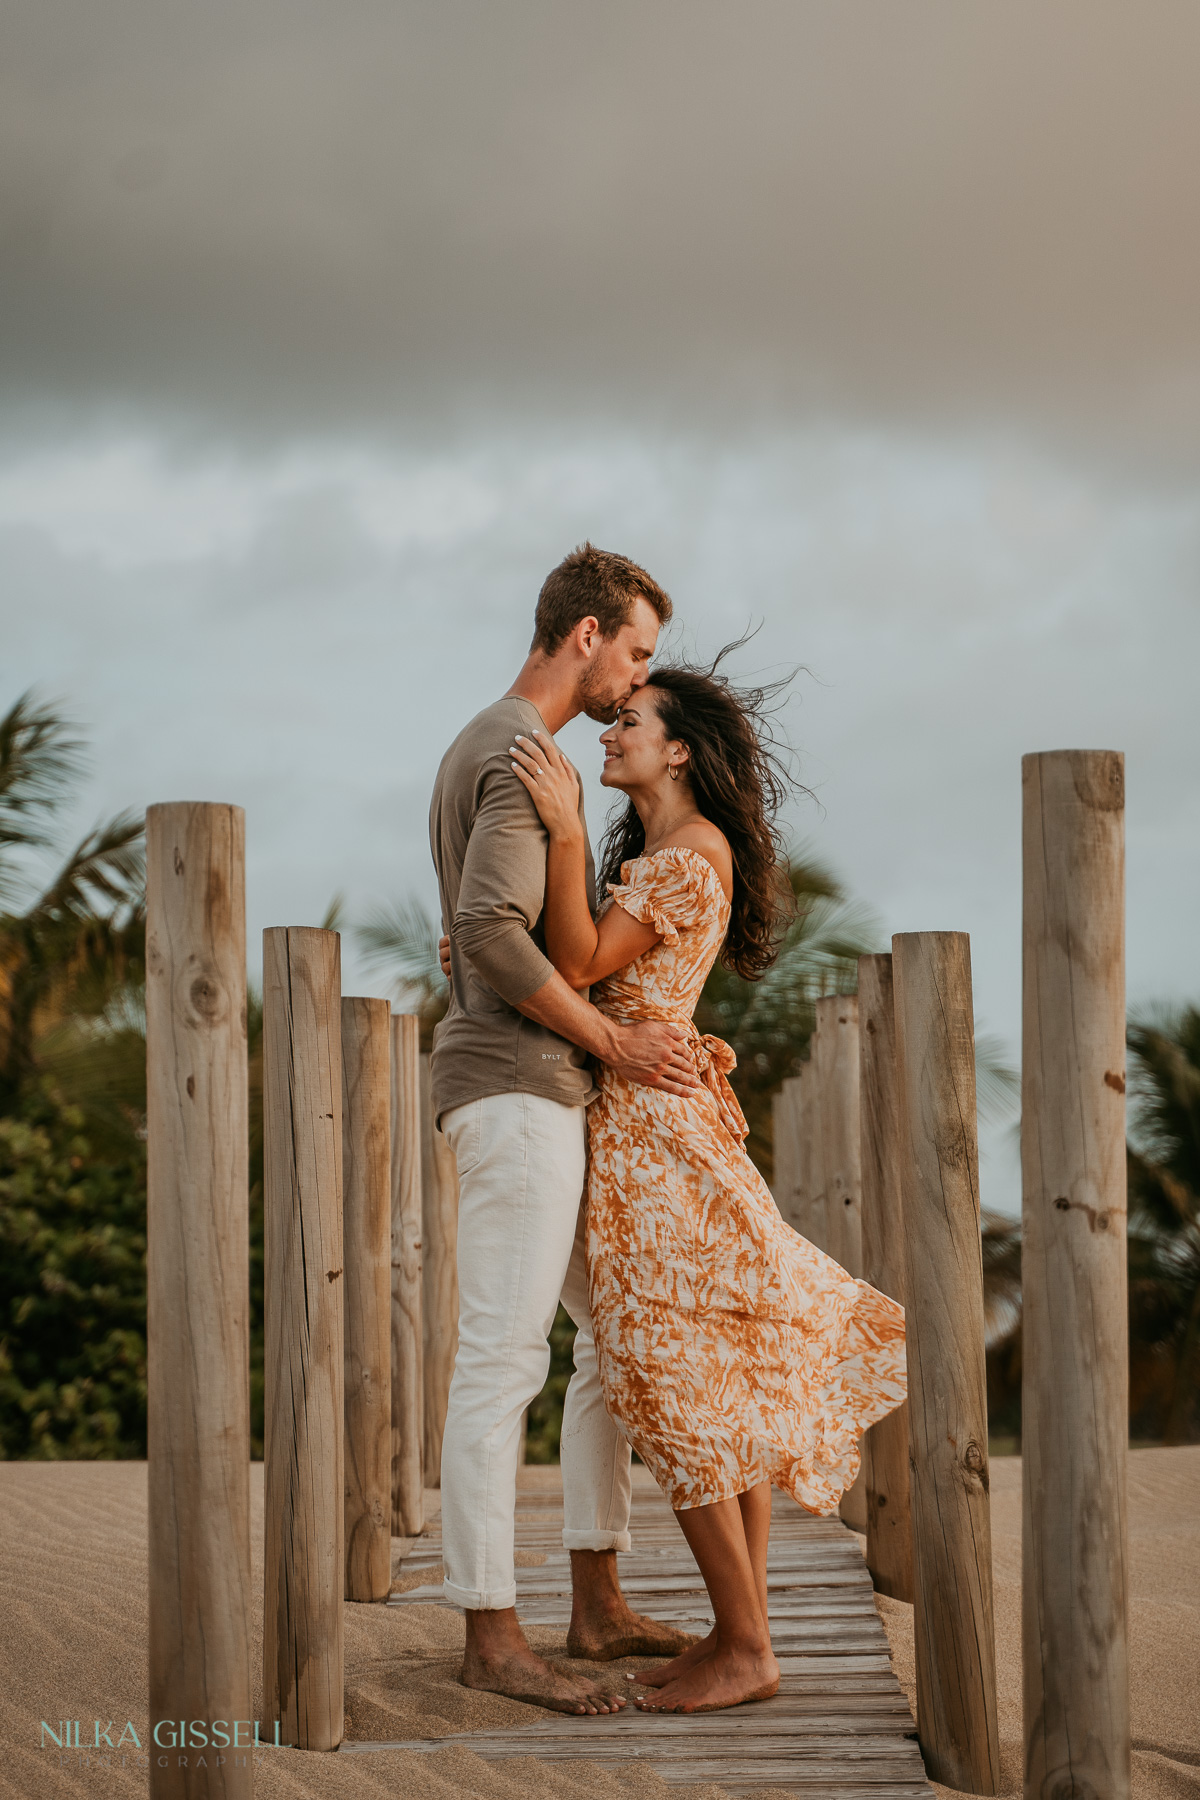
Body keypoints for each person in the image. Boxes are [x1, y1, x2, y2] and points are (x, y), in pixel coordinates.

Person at [506, 655, 907, 1714]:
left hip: (652, 1139)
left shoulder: (686, 857)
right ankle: (747, 1634)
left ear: (677, 747)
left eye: (627, 720)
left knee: (665, 1378)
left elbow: (584, 962)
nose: (606, 733)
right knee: (713, 1375)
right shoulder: (681, 850)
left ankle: (745, 1641)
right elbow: (606, 967)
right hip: (661, 1124)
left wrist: (559, 828)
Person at [428, 543, 704, 1717]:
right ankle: (494, 1634)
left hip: (541, 1091)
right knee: (502, 1360)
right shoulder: (517, 751)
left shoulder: (497, 748)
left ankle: (596, 1596)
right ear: (586, 634)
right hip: (518, 1090)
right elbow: (491, 932)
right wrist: (610, 1037)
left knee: (608, 1338)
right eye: (636, 650)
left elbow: (485, 929)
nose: (639, 676)